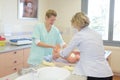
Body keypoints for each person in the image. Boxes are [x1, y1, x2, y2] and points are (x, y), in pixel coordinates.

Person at [53, 12, 113, 80]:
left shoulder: (79, 35)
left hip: (94, 74)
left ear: (76, 23)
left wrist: (57, 54)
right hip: (107, 73)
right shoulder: (97, 34)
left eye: (74, 25)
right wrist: (77, 53)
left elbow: (65, 53)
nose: (74, 27)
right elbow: (90, 49)